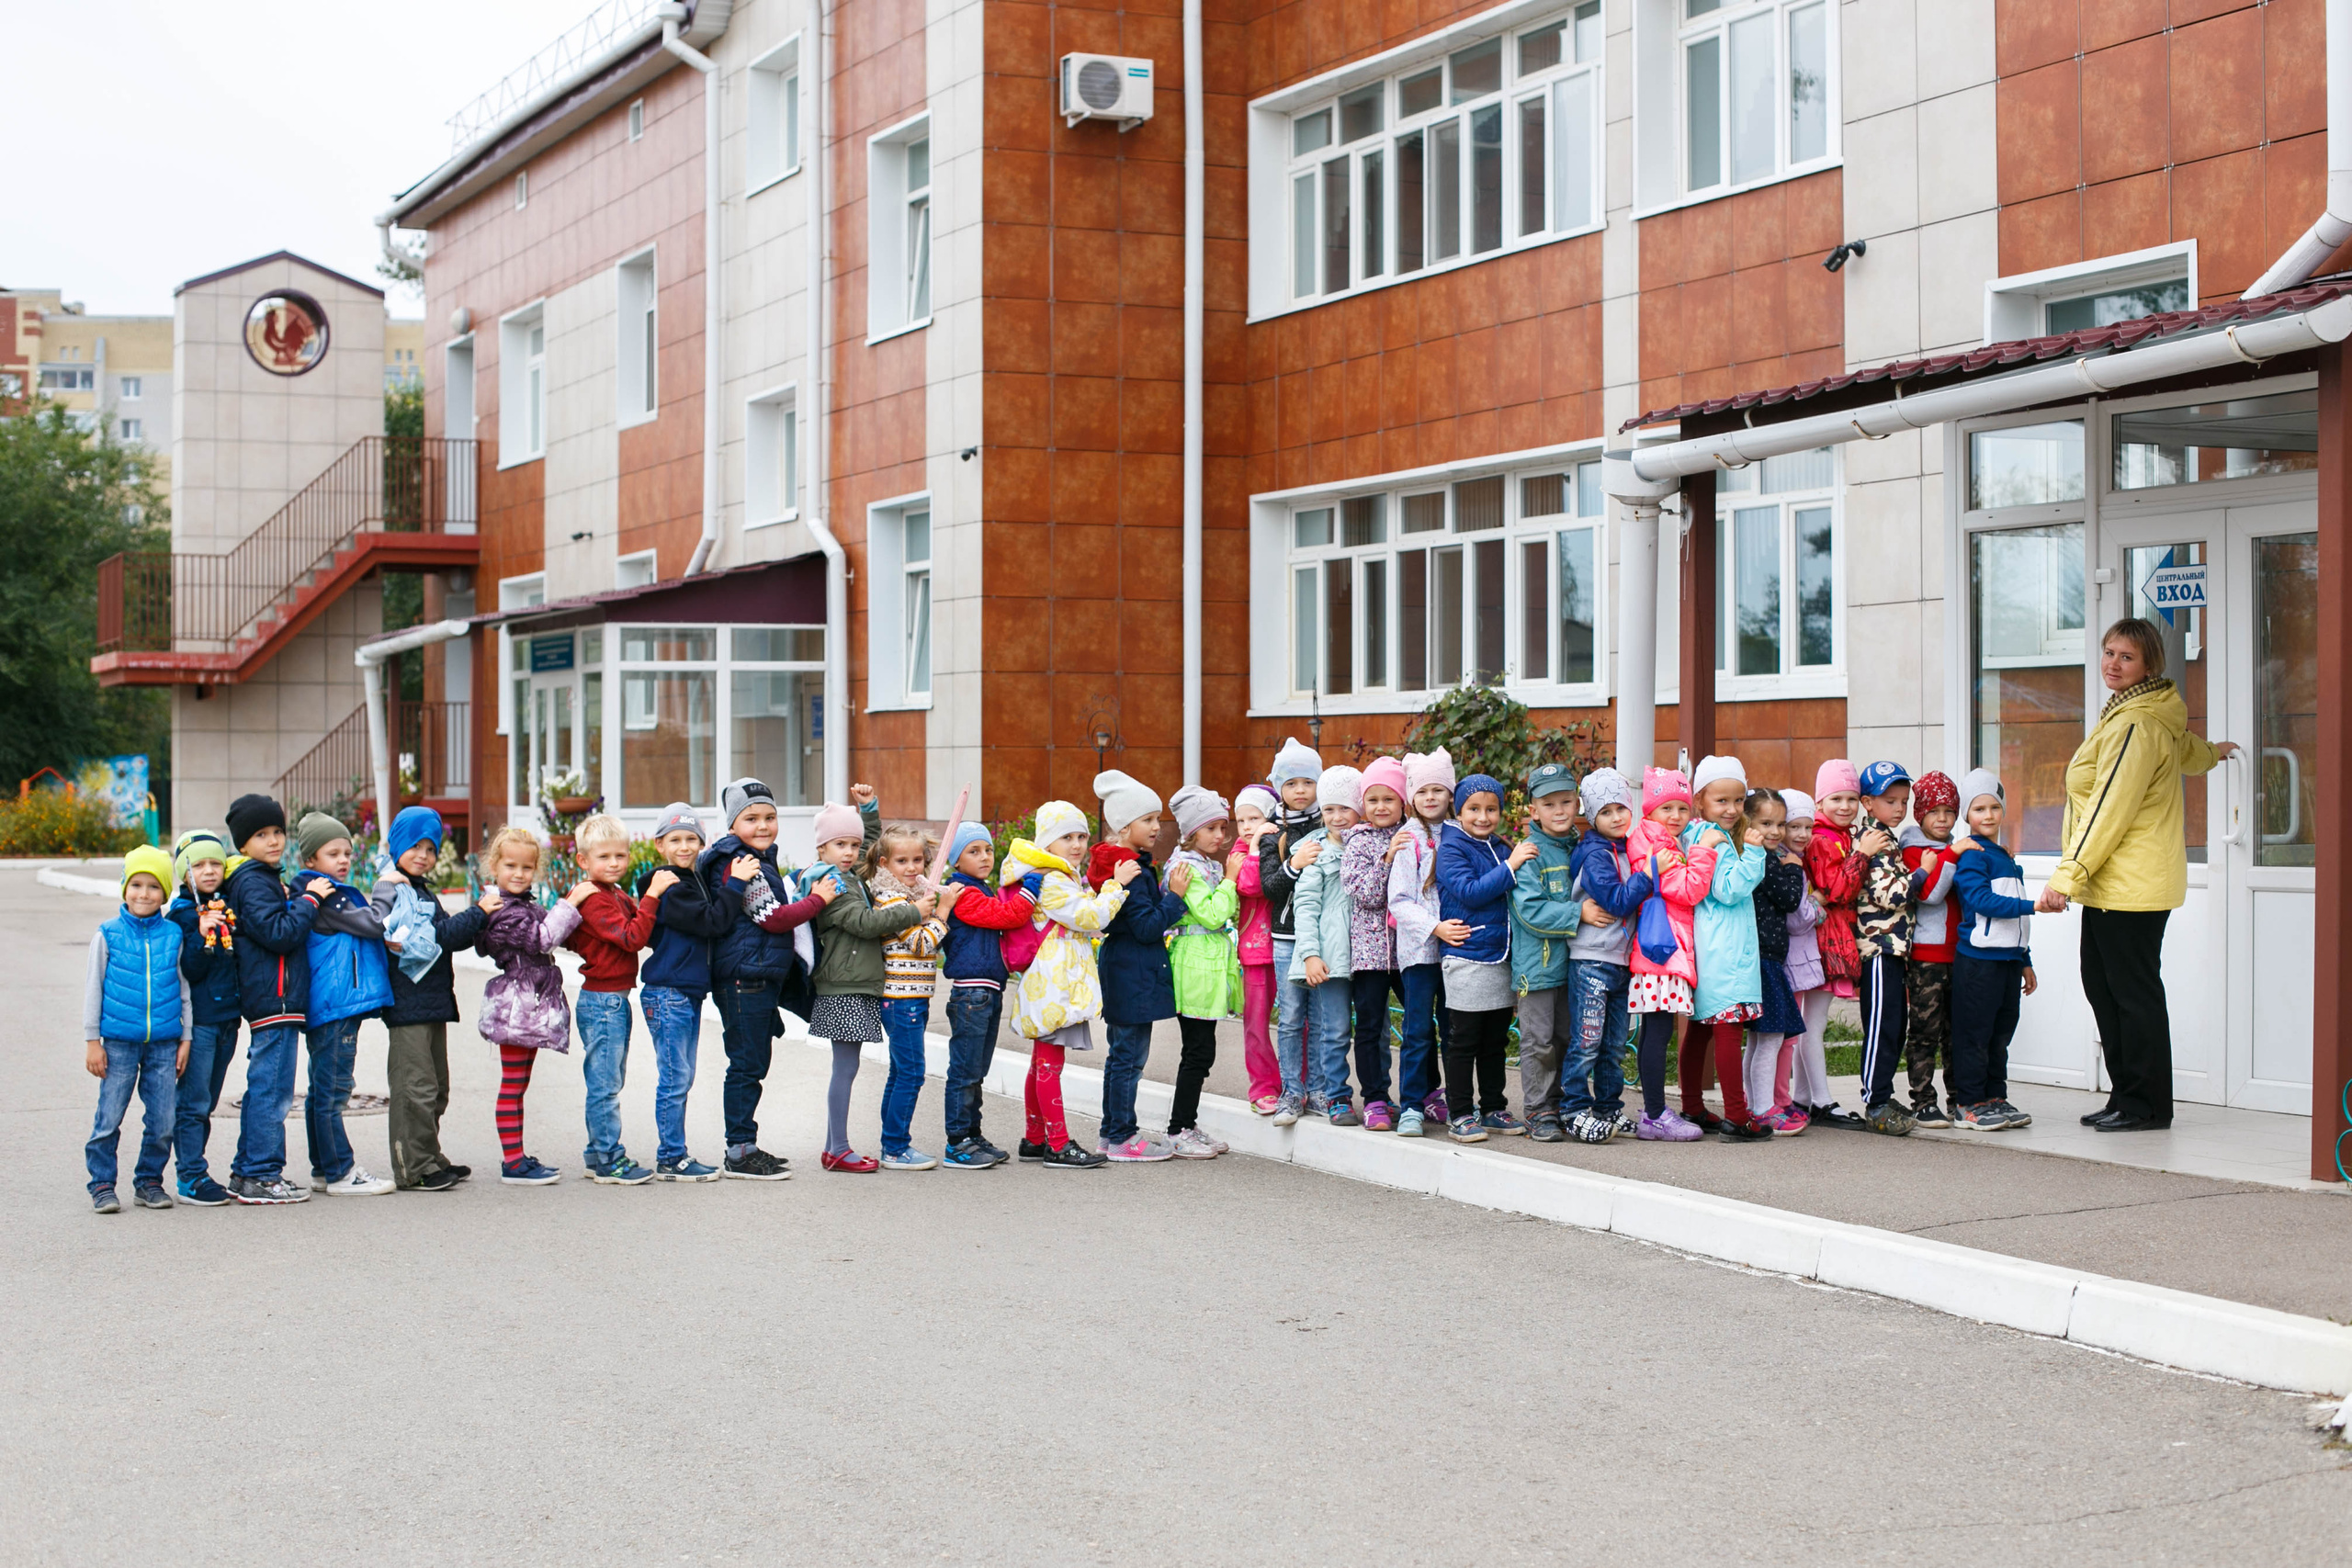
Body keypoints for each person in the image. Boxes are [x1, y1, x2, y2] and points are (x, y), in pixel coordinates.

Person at [2040, 616, 2238, 1133]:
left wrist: (2066, 877)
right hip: (2117, 883)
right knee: (2106, 986)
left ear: (2149, 664)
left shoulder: (2137, 723)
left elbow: (2109, 807)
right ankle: (2128, 1095)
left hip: (2126, 884)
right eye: (2108, 653)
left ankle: (2146, 1105)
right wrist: (2215, 753)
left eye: (2126, 657)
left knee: (2130, 992)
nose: (2113, 663)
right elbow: (2185, 752)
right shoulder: (2142, 713)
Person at [699, 777, 846, 1179]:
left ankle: (746, 1145)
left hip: (758, 978)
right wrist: (819, 900)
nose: (763, 825)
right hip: (743, 980)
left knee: (754, 1064)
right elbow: (773, 919)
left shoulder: (756, 859)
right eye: (751, 818)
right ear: (733, 826)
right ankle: (739, 1152)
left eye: (770, 816)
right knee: (746, 1066)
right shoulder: (739, 863)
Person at [807, 795, 938, 1172]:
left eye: (852, 844)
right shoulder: (830, 882)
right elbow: (864, 923)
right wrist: (916, 911)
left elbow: (872, 847)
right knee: (845, 1069)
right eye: (839, 845)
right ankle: (839, 1148)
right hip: (843, 986)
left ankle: (836, 1147)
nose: (849, 852)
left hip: (856, 984)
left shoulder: (848, 873)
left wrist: (869, 811)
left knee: (847, 1068)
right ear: (822, 848)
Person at [370, 807, 490, 1191]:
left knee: (436, 1086)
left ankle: (430, 1154)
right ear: (396, 846)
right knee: (414, 1088)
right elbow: (427, 943)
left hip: (430, 1000)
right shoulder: (394, 888)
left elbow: (445, 933)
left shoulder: (417, 887)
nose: (422, 855)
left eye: (430, 848)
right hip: (409, 1004)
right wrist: (478, 914)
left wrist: (480, 924)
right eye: (414, 846)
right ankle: (413, 1166)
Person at [1006, 799, 1130, 1169]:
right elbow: (1090, 917)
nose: (1076, 844)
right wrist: (1116, 887)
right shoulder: (1053, 878)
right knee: (1049, 1065)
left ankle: (1035, 1138)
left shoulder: (1058, 875)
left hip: (1054, 982)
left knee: (1040, 1062)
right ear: (1046, 843)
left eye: (1081, 836)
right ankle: (1058, 1145)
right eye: (1066, 837)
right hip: (1054, 984)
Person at [220, 793, 331, 1204]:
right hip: (274, 999)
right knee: (272, 1089)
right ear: (242, 844)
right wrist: (308, 900)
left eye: (279, 832)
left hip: (277, 998)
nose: (274, 841)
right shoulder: (253, 881)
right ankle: (261, 1174)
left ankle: (248, 1171)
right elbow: (279, 935)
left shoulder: (263, 878)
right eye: (261, 834)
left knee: (267, 1086)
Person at [475, 825, 589, 1186]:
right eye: (511, 866)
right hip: (515, 1003)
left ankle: (517, 1155)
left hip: (528, 1002)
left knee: (519, 1082)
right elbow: (542, 939)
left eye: (527, 868)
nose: (519, 874)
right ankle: (512, 1162)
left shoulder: (522, 904)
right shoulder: (503, 910)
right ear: (494, 867)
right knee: (512, 1083)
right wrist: (570, 904)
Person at [633, 805, 741, 1180]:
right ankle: (671, 1157)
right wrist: (736, 884)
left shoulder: (688, 878)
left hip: (684, 992)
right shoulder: (669, 885)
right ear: (660, 843)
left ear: (701, 842)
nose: (684, 846)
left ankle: (674, 1153)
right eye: (675, 839)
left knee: (682, 1075)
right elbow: (714, 922)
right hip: (668, 992)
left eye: (691, 839)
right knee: (675, 1077)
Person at [293, 812, 397, 1197]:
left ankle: (323, 1168)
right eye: (332, 852)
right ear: (310, 860)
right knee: (334, 1090)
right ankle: (340, 1171)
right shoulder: (327, 896)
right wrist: (385, 886)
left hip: (328, 1005)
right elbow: (374, 922)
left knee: (321, 1090)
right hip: (334, 1006)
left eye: (347, 853)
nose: (343, 860)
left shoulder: (320, 892)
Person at [83, 846, 190, 1213]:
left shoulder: (174, 935)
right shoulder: (108, 934)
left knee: (163, 1121)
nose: (144, 894)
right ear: (125, 888)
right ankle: (101, 1184)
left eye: (153, 887)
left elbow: (184, 990)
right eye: (136, 885)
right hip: (118, 1044)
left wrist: (186, 1038)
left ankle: (148, 1182)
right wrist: (91, 1041)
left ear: (164, 892)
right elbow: (93, 988)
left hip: (163, 1043)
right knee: (109, 1118)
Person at [1091, 769, 1188, 1160]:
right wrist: (1174, 897)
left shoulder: (1119, 864)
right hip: (1133, 969)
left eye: (1156, 819)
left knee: (1121, 1057)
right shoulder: (1132, 871)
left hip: (1123, 966)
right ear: (1123, 824)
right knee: (1129, 1059)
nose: (1156, 827)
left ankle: (1110, 1133)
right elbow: (1147, 926)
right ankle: (1122, 1137)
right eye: (1147, 819)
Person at [563, 813, 662, 1185]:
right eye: (604, 857)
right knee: (605, 1084)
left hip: (614, 999)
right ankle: (607, 1158)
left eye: (620, 856)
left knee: (611, 1078)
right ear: (584, 861)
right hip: (603, 1002)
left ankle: (597, 1152)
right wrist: (652, 896)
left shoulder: (615, 894)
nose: (615, 863)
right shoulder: (594, 899)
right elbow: (632, 938)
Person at [1680, 757, 1773, 1143]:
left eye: (1738, 800)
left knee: (1701, 1031)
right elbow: (1728, 890)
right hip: (1726, 953)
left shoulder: (1696, 832)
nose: (1732, 809)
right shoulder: (1715, 839)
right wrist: (1754, 853)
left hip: (1712, 948)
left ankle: (1692, 1106)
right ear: (1700, 800)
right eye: (1721, 801)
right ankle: (1737, 1115)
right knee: (1727, 1031)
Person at [936, 822, 1037, 1168]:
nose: (984, 857)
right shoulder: (960, 892)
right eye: (973, 851)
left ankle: (972, 1134)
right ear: (956, 860)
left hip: (989, 990)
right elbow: (1006, 917)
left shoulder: (980, 888)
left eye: (988, 850)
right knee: (964, 1070)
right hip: (970, 992)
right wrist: (1030, 891)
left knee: (977, 1069)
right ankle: (957, 1142)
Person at [1434, 773, 1526, 1142]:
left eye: (1491, 809)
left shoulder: (1501, 847)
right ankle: (1459, 1113)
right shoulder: (1453, 848)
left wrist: (1511, 860)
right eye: (1474, 809)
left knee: (1495, 1041)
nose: (1483, 817)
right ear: (1459, 811)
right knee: (1464, 1040)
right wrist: (1512, 866)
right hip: (1467, 956)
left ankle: (1493, 1108)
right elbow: (1471, 892)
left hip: (1500, 957)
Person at [1564, 767, 1652, 1144]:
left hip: (1619, 961)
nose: (1616, 817)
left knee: (1614, 1044)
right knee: (1587, 1040)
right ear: (1592, 816)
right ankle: (1573, 1110)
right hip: (1592, 961)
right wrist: (1648, 875)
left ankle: (1608, 1109)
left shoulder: (1623, 848)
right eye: (1606, 811)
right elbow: (1616, 902)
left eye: (1621, 808)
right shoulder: (1596, 854)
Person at [1951, 769, 2039, 1131]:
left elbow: (2013, 925)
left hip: (2006, 962)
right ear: (1967, 817)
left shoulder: (2005, 856)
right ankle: (1968, 1103)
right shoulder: (1974, 855)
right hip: (1978, 963)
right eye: (1978, 809)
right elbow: (1982, 901)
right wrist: (2035, 905)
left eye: (1994, 807)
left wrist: (2025, 960)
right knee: (1975, 1034)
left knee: (2001, 1034)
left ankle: (1994, 1097)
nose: (1988, 816)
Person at [1626, 767, 1710, 1141]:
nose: (1675, 816)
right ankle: (1656, 1114)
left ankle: (1652, 1111)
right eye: (1667, 809)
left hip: (1656, 950)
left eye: (1682, 808)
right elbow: (1690, 890)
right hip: (1663, 951)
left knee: (1653, 1031)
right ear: (1650, 811)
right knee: (1658, 1032)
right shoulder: (1657, 845)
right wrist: (1705, 852)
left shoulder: (1652, 838)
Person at [867, 822, 952, 1171]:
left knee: (900, 1071)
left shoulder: (910, 897)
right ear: (885, 864)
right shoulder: (891, 899)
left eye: (918, 859)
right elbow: (920, 944)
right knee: (913, 1073)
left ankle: (892, 1141)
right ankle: (895, 1147)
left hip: (911, 997)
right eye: (902, 861)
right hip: (901, 998)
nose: (913, 867)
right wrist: (942, 911)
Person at [165, 830, 242, 1205]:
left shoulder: (227, 905)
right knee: (193, 1101)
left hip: (229, 1018)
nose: (209, 871)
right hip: (200, 1023)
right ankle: (190, 1177)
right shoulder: (181, 915)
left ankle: (194, 1168)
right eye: (199, 865)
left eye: (216, 863)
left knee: (208, 1100)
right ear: (184, 873)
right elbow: (190, 970)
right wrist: (200, 933)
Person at [1510, 762, 1585, 1142]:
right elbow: (1530, 912)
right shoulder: (1530, 854)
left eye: (1566, 802)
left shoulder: (1579, 847)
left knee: (1568, 1038)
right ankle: (1538, 1111)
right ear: (1533, 810)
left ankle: (1563, 1106)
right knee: (1537, 1041)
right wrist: (1579, 913)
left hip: (1576, 965)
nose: (1559, 811)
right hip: (1536, 967)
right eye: (1549, 803)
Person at [1163, 783, 1238, 1158]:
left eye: (1223, 828)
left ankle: (1187, 1123)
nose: (1220, 836)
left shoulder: (1206, 864)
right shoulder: (1185, 867)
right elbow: (1211, 915)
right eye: (1211, 828)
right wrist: (1230, 881)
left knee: (1202, 1051)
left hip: (1206, 963)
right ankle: (1178, 1128)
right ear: (1192, 832)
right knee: (1197, 1052)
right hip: (1194, 963)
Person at [1386, 750, 1457, 1134]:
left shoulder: (1461, 835)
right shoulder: (1408, 840)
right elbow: (1399, 900)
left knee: (1454, 1029)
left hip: (1456, 952)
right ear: (1411, 797)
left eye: (1438, 789)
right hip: (1418, 953)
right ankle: (1412, 1103)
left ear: (1450, 793)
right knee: (1417, 1030)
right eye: (1423, 790)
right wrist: (1435, 928)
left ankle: (1456, 1100)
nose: (1430, 797)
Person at [1289, 765, 1363, 1123]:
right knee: (1334, 1030)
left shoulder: (1369, 844)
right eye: (1329, 809)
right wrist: (1311, 954)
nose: (1337, 817)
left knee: (1372, 1030)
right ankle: (1337, 1096)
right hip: (1331, 958)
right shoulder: (1315, 850)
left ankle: (1377, 1097)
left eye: (1345, 808)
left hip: (1368, 954)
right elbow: (1306, 906)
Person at [1259, 737, 1327, 1125]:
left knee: (1321, 1019)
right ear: (1280, 788)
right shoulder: (1274, 832)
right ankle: (1291, 1091)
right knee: (1289, 1018)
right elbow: (1270, 887)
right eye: (1291, 784)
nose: (1300, 791)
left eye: (1308, 782)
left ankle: (1318, 1089)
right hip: (1286, 939)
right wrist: (1295, 862)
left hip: (1323, 938)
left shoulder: (1330, 823)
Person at [1341, 758, 1411, 1132]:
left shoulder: (1415, 834)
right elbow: (1364, 893)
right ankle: (1375, 1099)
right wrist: (1388, 858)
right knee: (1369, 1027)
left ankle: (1423, 1094)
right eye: (1373, 800)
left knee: (1418, 1023)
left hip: (1410, 952)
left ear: (1403, 802)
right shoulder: (1358, 842)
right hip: (1370, 955)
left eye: (1389, 798)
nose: (1381, 807)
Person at [1851, 761, 1917, 1136]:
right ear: (1867, 802)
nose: (1898, 808)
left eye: (1903, 801)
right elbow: (1889, 895)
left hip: (1894, 949)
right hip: (1877, 949)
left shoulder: (1888, 837)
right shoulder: (1874, 840)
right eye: (1889, 800)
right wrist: (1923, 872)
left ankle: (1883, 1093)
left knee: (1895, 1025)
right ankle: (1874, 1102)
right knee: (1881, 1025)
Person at [1743, 789, 1811, 1134]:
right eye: (1766, 823)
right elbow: (1787, 900)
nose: (1775, 831)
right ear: (1748, 822)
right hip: (1764, 959)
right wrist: (1796, 870)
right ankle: (1763, 1108)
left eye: (1780, 823)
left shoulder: (1761, 855)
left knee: (1759, 1038)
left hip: (1763, 957)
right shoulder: (1767, 860)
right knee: (1769, 1036)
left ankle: (1752, 1104)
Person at [1900, 772, 1964, 1126]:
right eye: (1934, 811)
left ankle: (1960, 1097)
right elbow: (1930, 894)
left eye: (1949, 811)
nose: (1942, 818)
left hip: (1959, 955)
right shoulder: (1914, 849)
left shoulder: (1956, 847)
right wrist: (1952, 855)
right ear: (1920, 814)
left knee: (1957, 1034)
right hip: (1927, 956)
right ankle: (1923, 1101)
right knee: (1925, 1033)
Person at [1230, 785, 1281, 1114]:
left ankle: (1297, 1084)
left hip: (1288, 947)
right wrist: (1253, 846)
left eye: (1255, 818)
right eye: (1241, 820)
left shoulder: (1282, 844)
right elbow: (1250, 884)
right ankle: (1263, 1087)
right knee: (1256, 1022)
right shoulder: (1239, 850)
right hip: (1254, 953)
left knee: (1296, 1022)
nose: (1247, 826)